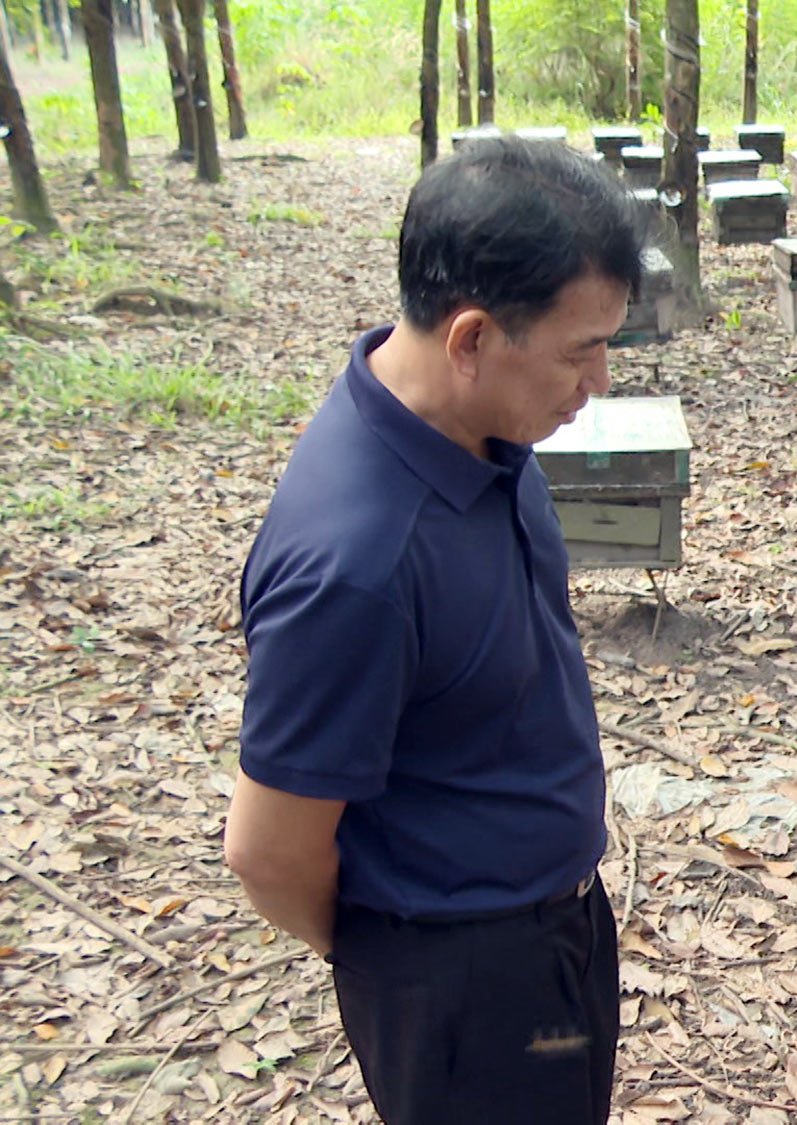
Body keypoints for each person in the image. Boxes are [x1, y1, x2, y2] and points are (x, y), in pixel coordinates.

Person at [224, 137, 646, 1125]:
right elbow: (269, 851)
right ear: (469, 339)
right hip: (461, 980)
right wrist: (411, 964)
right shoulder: (355, 566)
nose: (598, 381)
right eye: (579, 350)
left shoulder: (482, 427)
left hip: (557, 928)